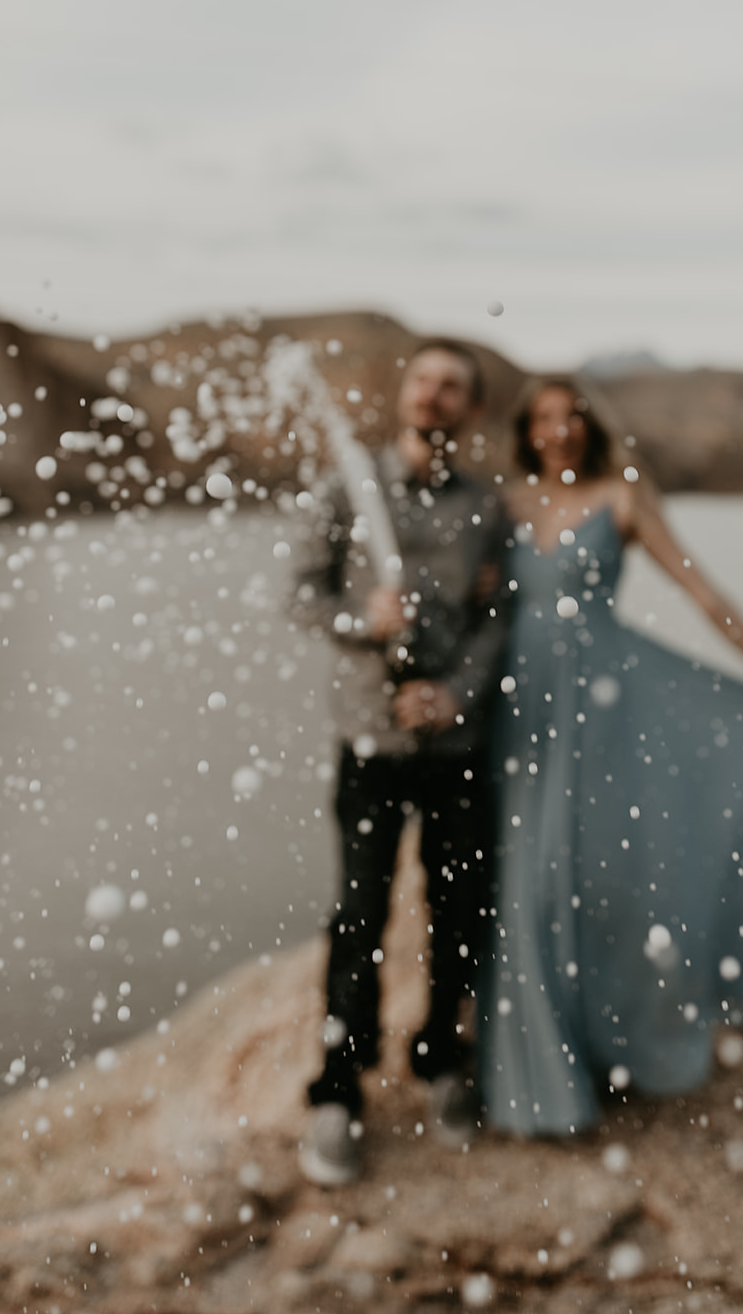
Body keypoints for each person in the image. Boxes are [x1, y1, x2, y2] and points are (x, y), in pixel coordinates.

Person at [480, 378, 743, 1135]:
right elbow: (471, 602)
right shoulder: (507, 504)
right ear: (527, 431)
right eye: (544, 417)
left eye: (572, 415)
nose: (560, 429)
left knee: (603, 870)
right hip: (520, 704)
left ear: (588, 426)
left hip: (605, 701)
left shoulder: (622, 497)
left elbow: (700, 592)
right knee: (526, 877)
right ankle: (539, 1065)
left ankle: (614, 1044)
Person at [296, 340, 510, 1185]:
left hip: (455, 743)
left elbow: (495, 621)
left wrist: (457, 693)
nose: (433, 395)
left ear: (471, 409)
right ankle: (338, 1090)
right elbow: (299, 592)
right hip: (370, 743)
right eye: (421, 379)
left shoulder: (486, 510)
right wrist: (362, 619)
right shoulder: (347, 487)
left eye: (451, 386)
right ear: (404, 393)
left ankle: (439, 1060)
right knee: (359, 913)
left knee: (459, 911)